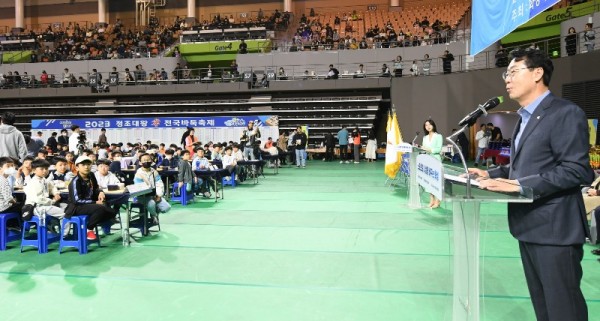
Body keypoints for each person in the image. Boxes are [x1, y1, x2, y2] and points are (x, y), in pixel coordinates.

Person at [468, 48, 593, 321]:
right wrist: (492, 174)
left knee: (563, 309)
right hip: (528, 226)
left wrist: (519, 185)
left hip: (556, 230)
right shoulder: (525, 117)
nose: (507, 80)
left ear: (538, 74)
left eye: (513, 72)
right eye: (506, 73)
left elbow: (577, 170)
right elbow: (523, 165)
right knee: (544, 308)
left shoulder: (565, 113)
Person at [66, 156, 117, 240]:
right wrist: (95, 202)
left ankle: (90, 226)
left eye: (88, 164)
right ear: (77, 167)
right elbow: (77, 200)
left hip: (88, 205)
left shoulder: (91, 175)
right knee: (100, 208)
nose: (86, 167)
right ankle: (89, 229)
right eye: (83, 165)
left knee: (112, 212)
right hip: (76, 207)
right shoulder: (75, 182)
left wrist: (100, 192)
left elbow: (96, 187)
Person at [23, 159, 65, 227]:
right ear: (34, 170)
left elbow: (52, 187)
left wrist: (56, 193)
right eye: (42, 169)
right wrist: (53, 201)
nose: (45, 171)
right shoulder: (33, 183)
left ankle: (54, 228)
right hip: (36, 207)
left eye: (46, 168)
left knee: (68, 208)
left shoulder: (43, 179)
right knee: (64, 213)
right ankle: (65, 236)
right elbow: (38, 199)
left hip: (45, 205)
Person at [133, 153, 170, 224]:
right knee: (151, 203)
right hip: (142, 196)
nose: (146, 161)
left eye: (148, 159)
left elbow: (159, 183)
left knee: (167, 207)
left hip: (154, 195)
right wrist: (150, 195)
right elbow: (139, 188)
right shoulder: (139, 174)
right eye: (144, 160)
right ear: (140, 162)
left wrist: (159, 195)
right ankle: (154, 215)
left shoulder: (154, 172)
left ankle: (154, 212)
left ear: (151, 161)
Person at [420, 119, 443, 208]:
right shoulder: (424, 138)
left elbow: (438, 149)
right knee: (428, 181)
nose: (428, 126)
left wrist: (428, 149)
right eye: (426, 125)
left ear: (433, 125)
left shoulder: (438, 136)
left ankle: (438, 200)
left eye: (430, 125)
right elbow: (423, 148)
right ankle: (431, 200)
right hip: (427, 160)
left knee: (436, 181)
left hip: (435, 159)